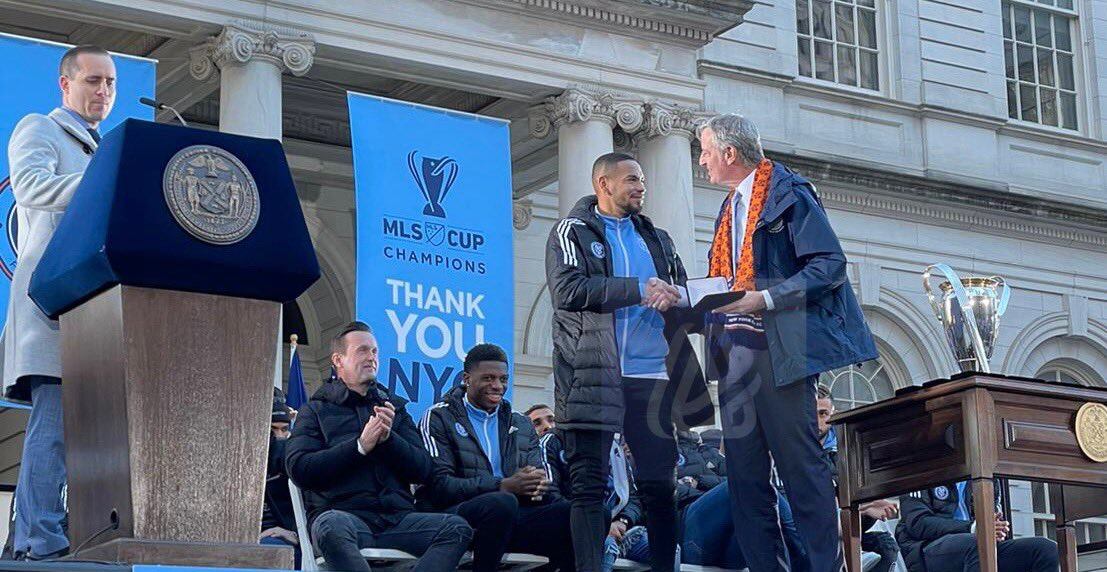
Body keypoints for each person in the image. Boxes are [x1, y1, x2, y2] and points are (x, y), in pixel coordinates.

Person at [698, 113, 878, 572]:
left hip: (780, 349)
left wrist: (767, 297)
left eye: (705, 150)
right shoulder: (729, 207)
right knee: (745, 478)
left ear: (729, 153)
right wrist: (683, 295)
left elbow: (829, 265)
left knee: (801, 471)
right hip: (734, 355)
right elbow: (724, 281)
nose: (701, 161)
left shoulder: (787, 192)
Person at [545, 152, 713, 572]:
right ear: (604, 184)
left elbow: (675, 296)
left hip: (652, 375)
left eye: (642, 180)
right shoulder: (572, 231)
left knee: (660, 484)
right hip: (594, 374)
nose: (641, 187)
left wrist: (684, 299)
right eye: (632, 180)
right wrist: (640, 290)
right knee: (588, 486)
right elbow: (568, 290)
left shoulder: (657, 238)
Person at [2, 44, 116, 561]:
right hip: (53, 305)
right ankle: (38, 539)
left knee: (82, 433)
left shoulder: (104, 149)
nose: (104, 91)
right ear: (65, 85)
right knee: (54, 427)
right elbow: (29, 187)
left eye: (110, 82)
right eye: (93, 80)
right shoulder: (39, 128)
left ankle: (36, 535)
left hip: (97, 311)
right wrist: (108, 183)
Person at [285, 322, 472, 572]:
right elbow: (300, 468)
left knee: (457, 529)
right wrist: (360, 446)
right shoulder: (315, 410)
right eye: (362, 350)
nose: (371, 357)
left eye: (374, 352)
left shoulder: (394, 408)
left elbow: (425, 470)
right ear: (338, 360)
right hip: (344, 517)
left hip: (397, 521)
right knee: (330, 526)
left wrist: (389, 441)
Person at [418, 343, 574, 571]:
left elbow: (539, 487)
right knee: (501, 502)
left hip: (513, 517)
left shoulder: (520, 423)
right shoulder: (439, 417)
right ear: (466, 378)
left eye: (503, 379)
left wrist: (536, 486)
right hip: (456, 516)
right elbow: (440, 486)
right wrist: (503, 485)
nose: (497, 386)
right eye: (488, 378)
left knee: (586, 514)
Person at [897, 481, 1058, 572]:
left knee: (1046, 549)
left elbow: (991, 520)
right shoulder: (924, 467)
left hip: (976, 546)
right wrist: (974, 528)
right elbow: (917, 523)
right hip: (926, 551)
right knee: (978, 543)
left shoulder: (985, 473)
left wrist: (997, 529)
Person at [261, 389, 300, 565]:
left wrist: (295, 534)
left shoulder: (297, 463)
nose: (279, 436)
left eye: (284, 429)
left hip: (283, 540)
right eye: (272, 430)